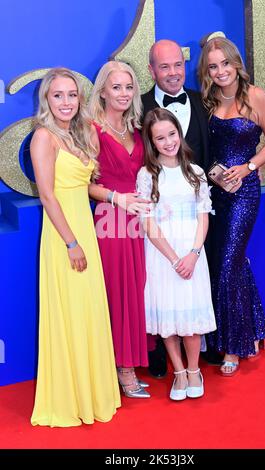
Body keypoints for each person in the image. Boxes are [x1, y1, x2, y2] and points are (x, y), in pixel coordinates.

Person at [30, 67, 121, 427]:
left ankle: (93, 393)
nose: (65, 102)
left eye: (71, 95)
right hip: (63, 234)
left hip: (84, 227)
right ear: (46, 100)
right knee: (70, 312)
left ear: (79, 98)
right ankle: (71, 398)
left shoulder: (77, 135)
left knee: (88, 311)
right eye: (57, 95)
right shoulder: (43, 137)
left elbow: (85, 186)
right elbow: (48, 195)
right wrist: (71, 243)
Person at [197, 33, 265, 376]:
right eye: (213, 66)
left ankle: (233, 346)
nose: (220, 72)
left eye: (225, 64)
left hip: (244, 192)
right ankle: (255, 329)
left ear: (236, 64)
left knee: (229, 264)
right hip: (214, 193)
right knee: (226, 263)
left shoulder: (257, 97)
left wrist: (249, 167)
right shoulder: (207, 100)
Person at [142, 39, 222, 376]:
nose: (174, 73)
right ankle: (163, 354)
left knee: (201, 281)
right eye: (165, 66)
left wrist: (233, 172)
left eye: (178, 65)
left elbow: (215, 147)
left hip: (197, 212)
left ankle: (205, 349)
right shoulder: (138, 104)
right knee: (161, 287)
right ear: (152, 70)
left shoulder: (201, 100)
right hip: (159, 218)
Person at [137, 108, 216, 400]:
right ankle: (179, 372)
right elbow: (148, 223)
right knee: (168, 318)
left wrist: (193, 254)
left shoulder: (195, 172)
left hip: (192, 252)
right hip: (162, 255)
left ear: (179, 133)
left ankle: (194, 370)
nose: (168, 142)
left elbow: (203, 217)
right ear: (152, 142)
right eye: (160, 138)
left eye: (171, 134)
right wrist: (173, 259)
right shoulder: (147, 175)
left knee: (191, 318)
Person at [88, 61, 150, 398]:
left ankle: (126, 363)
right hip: (109, 221)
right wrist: (117, 199)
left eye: (129, 87)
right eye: (116, 87)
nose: (124, 93)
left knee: (135, 291)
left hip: (137, 223)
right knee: (117, 294)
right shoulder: (91, 130)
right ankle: (122, 371)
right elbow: (84, 184)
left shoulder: (134, 128)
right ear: (103, 91)